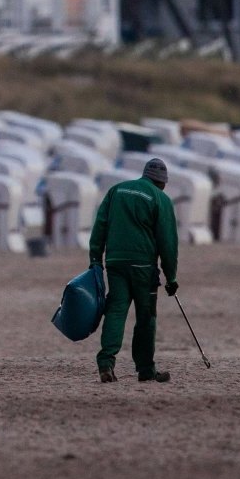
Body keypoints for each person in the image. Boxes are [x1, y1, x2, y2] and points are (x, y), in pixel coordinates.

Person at [88, 157, 179, 383]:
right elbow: (168, 243)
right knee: (146, 317)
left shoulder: (116, 191)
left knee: (116, 311)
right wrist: (171, 277)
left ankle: (106, 363)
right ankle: (146, 369)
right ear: (163, 182)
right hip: (143, 267)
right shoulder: (161, 199)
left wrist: (95, 259)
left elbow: (100, 225)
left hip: (115, 262)